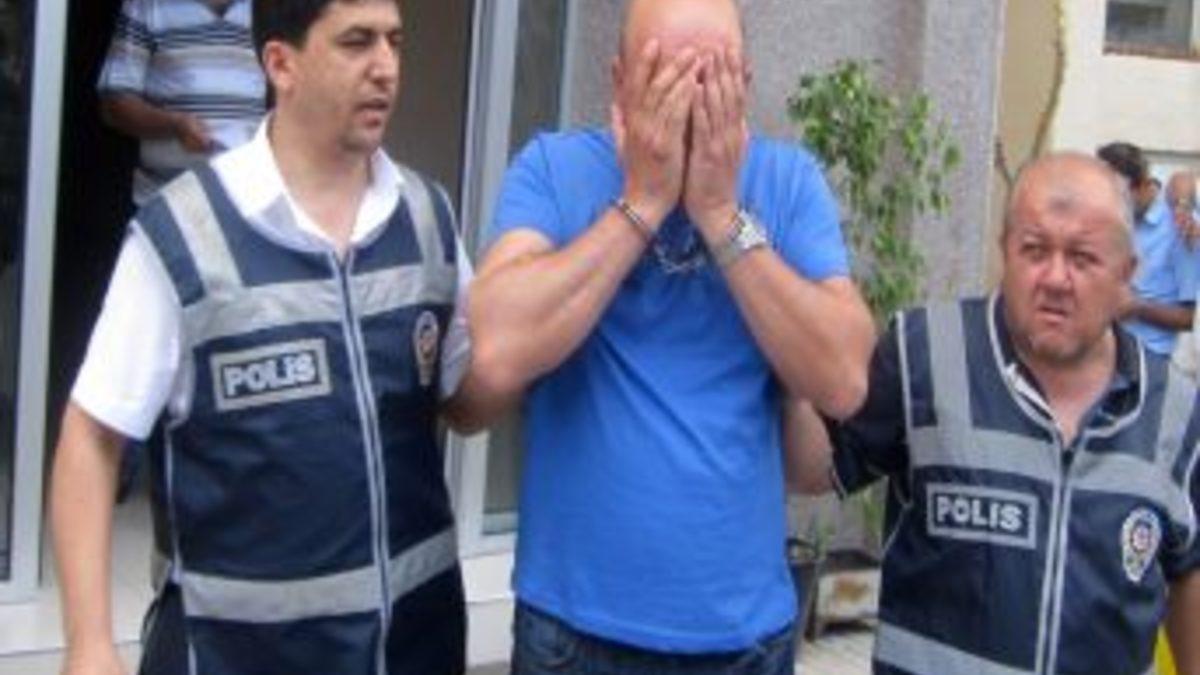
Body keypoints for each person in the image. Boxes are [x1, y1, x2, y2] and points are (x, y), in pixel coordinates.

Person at [51, 1, 498, 673]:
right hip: (236, 654)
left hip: (414, 646)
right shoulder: (185, 234)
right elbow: (91, 437)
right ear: (281, 65)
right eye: (357, 42)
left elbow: (468, 400)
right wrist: (89, 642)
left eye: (395, 41)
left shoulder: (426, 216)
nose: (386, 67)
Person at [468, 0, 875, 671]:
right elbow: (492, 347)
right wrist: (643, 202)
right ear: (618, 79)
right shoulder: (553, 168)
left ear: (744, 83)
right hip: (573, 630)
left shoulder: (788, 181)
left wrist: (721, 215)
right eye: (663, 75)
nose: (686, 101)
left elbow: (843, 377)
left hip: (743, 636)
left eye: (709, 78)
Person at [787, 152, 1200, 675]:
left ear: (1126, 274)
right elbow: (812, 469)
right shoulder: (924, 355)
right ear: (1005, 249)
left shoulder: (1176, 411)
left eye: (1082, 258)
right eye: (1034, 250)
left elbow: (1188, 567)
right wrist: (784, 351)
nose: (1055, 278)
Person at [97, 0, 266, 206]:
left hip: (251, 197)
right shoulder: (146, 5)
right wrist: (175, 125)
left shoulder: (269, 7)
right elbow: (114, 104)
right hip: (167, 201)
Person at [1097, 142, 1197, 357]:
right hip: (1108, 348)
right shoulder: (1116, 220)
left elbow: (1192, 318)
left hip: (1153, 356)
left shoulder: (1182, 227)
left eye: (1119, 197)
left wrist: (1136, 307)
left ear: (1143, 186)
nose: (1111, 205)